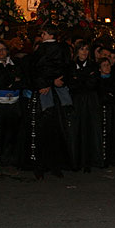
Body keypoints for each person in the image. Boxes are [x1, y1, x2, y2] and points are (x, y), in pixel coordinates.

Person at [28, 24, 73, 178]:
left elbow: (35, 70)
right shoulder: (64, 49)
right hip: (57, 93)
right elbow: (67, 68)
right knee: (58, 130)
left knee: (42, 131)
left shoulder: (41, 50)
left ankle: (41, 166)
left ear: (47, 34)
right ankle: (56, 165)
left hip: (45, 94)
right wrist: (55, 81)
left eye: (42, 33)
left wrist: (44, 83)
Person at [0, 40, 26, 171]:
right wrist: (11, 79)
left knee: (13, 131)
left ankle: (11, 158)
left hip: (14, 103)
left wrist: (10, 81)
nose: (1, 52)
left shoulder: (15, 63)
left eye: (3, 49)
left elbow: (21, 80)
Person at [67, 40, 101, 172]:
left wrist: (79, 78)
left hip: (89, 101)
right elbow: (71, 84)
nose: (84, 52)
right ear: (77, 51)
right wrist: (83, 78)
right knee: (76, 130)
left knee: (89, 130)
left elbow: (92, 84)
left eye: (86, 49)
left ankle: (88, 161)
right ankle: (76, 161)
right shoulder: (71, 66)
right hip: (76, 101)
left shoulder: (92, 65)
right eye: (82, 49)